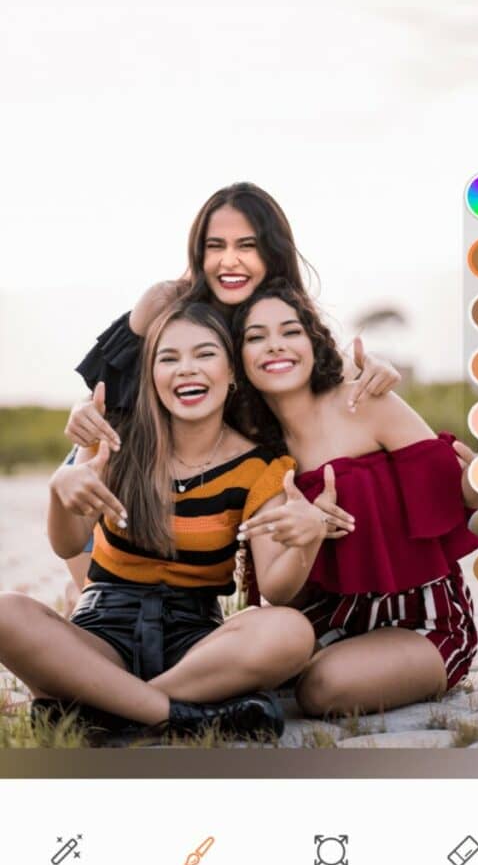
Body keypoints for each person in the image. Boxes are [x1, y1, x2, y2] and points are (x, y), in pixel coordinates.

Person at [0, 301, 333, 742]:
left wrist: (305, 540)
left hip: (195, 646)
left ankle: (108, 708)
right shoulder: (114, 439)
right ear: (151, 377)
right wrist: (61, 491)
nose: (186, 370)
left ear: (232, 372)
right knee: (6, 610)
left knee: (290, 632)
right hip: (102, 632)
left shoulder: (260, 467)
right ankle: (173, 715)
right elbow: (67, 544)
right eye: (168, 359)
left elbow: (277, 589)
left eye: (205, 354)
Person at [63, 183, 400, 591]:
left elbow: (321, 374)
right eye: (215, 246)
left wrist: (374, 369)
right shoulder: (167, 300)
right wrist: (82, 409)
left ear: (272, 251)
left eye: (247, 246)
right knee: (95, 571)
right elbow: (111, 381)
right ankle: (86, 595)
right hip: (132, 454)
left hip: (230, 461)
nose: (229, 261)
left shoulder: (282, 309)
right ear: (198, 252)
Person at [230, 279, 478, 717]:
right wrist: (307, 535)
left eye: (290, 331)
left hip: (423, 621)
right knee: (236, 647)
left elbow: (453, 490)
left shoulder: (365, 403)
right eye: (256, 337)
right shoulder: (257, 453)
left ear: (314, 342)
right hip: (329, 621)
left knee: (322, 688)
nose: (275, 346)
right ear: (239, 360)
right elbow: (280, 593)